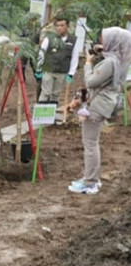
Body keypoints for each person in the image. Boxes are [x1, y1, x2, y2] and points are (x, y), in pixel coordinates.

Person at [67, 27, 131, 195]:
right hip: (104, 103)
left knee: (90, 144)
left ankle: (90, 181)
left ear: (114, 42)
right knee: (91, 143)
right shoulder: (120, 59)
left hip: (97, 106)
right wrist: (99, 52)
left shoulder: (110, 63)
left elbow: (91, 81)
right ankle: (91, 178)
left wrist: (88, 64)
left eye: (105, 39)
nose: (102, 42)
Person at [35, 16, 81, 104]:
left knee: (56, 94)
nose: (59, 28)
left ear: (67, 26)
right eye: (57, 25)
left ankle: (51, 114)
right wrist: (39, 69)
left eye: (62, 25)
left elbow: (74, 57)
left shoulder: (73, 40)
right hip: (49, 70)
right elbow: (42, 53)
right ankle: (41, 115)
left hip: (62, 71)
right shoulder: (49, 38)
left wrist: (71, 73)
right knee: (46, 92)